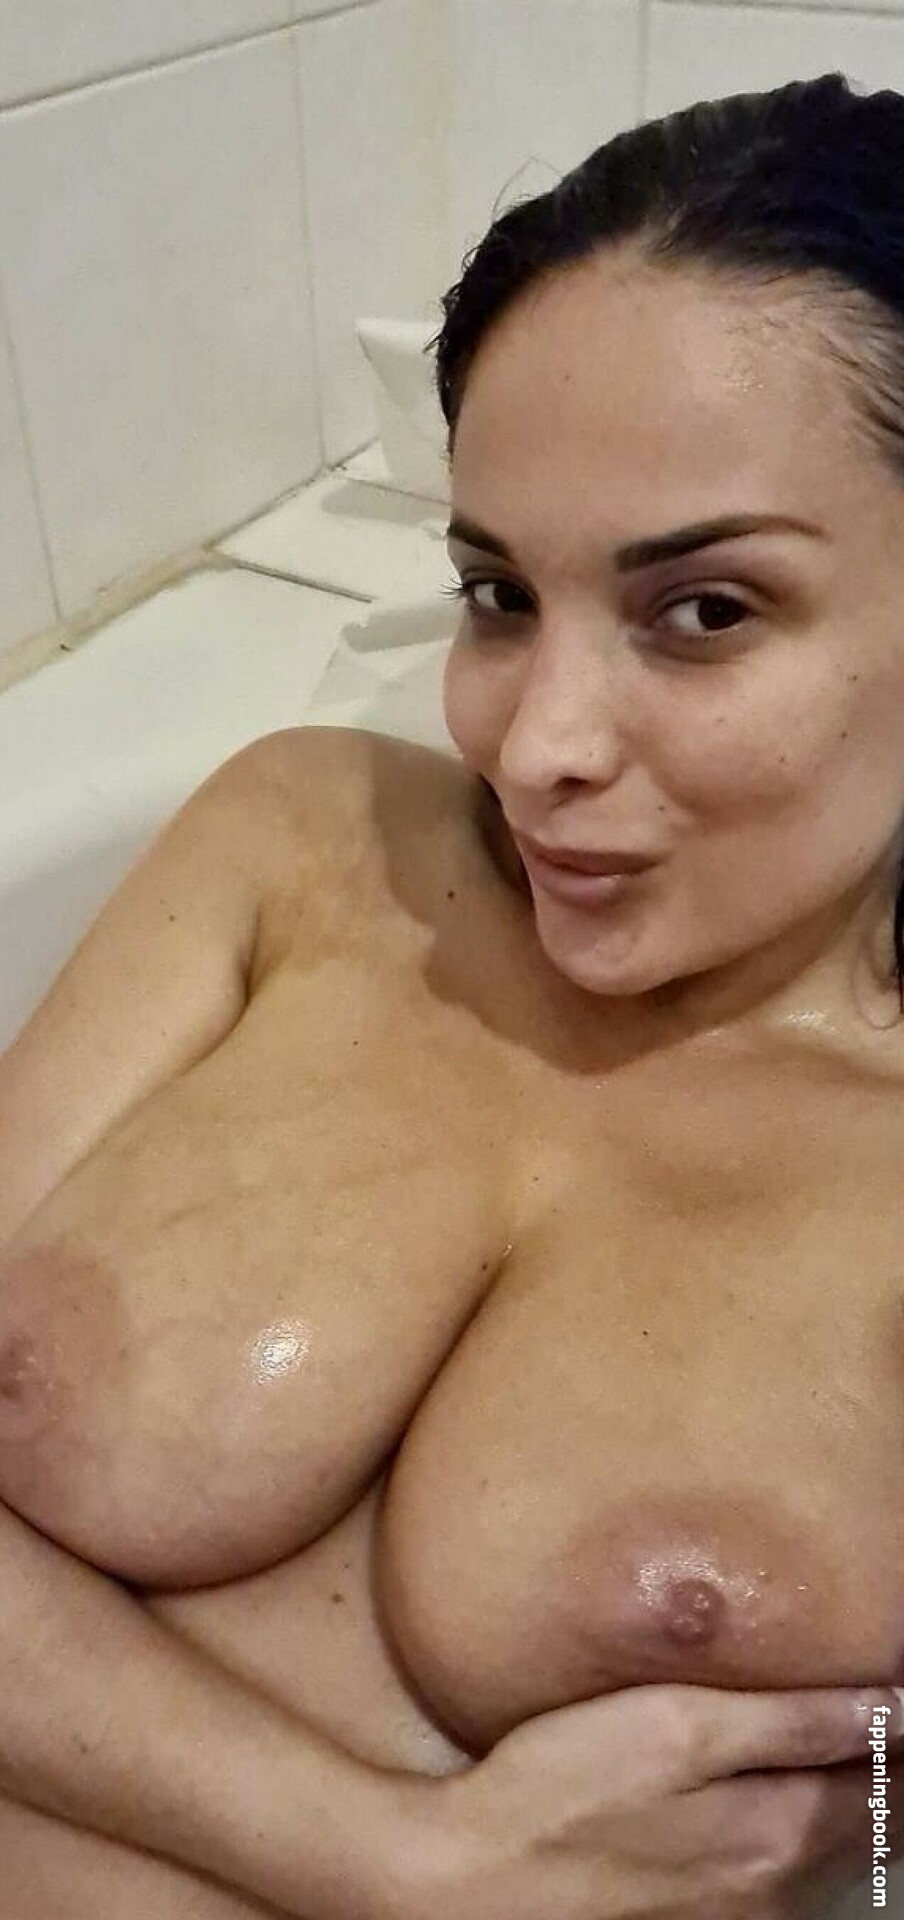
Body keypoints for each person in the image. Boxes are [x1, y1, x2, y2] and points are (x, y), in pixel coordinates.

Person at [1, 66, 904, 1920]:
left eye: (704, 611)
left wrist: (882, 1812)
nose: (535, 741)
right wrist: (396, 1862)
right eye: (497, 593)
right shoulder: (302, 838)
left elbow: (876, 1846)